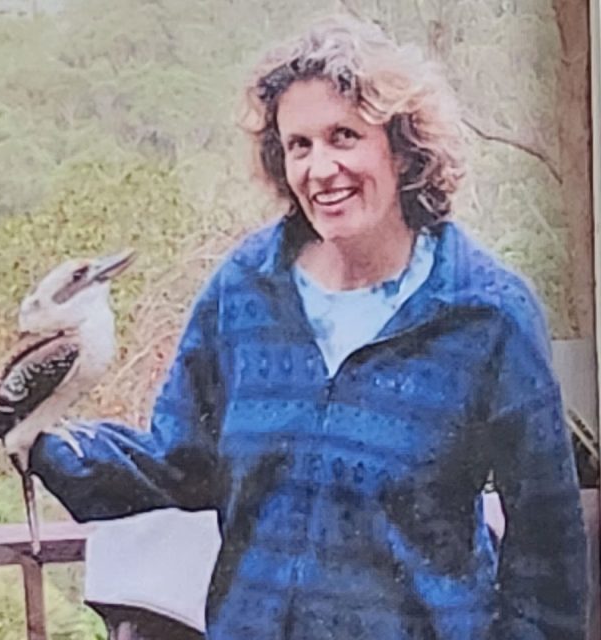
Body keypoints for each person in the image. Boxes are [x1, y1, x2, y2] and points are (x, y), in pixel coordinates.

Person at [30, 15, 587, 640]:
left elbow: (549, 549)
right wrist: (43, 440)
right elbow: (185, 459)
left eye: (344, 136)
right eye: (299, 145)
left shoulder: (487, 313)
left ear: (402, 148)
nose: (321, 169)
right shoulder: (242, 290)